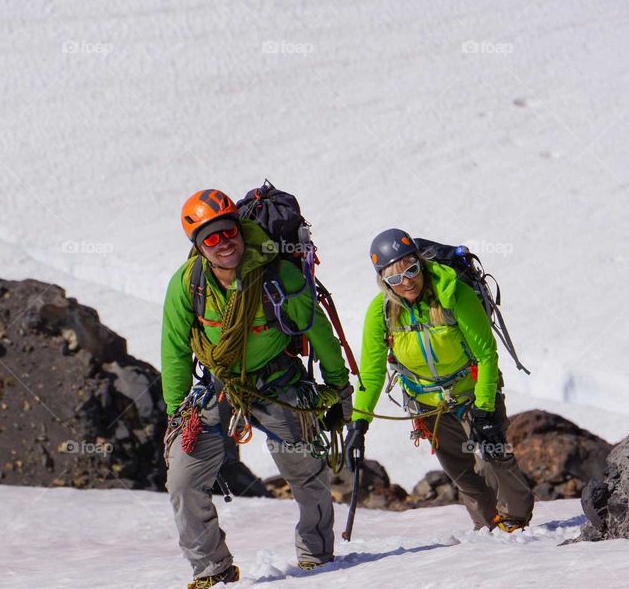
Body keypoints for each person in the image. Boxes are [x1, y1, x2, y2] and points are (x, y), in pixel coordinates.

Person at [162, 189, 353, 588]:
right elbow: (175, 348)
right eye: (210, 239)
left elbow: (317, 330)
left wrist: (338, 387)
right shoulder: (188, 284)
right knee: (183, 477)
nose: (223, 243)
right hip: (219, 387)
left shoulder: (277, 274)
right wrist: (177, 410)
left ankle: (317, 556)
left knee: (305, 469)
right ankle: (211, 568)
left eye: (228, 232)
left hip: (276, 380)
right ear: (198, 247)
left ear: (240, 229)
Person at [345, 228, 534, 532]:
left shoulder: (453, 293)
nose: (406, 281)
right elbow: (372, 372)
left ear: (420, 262)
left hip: (473, 390)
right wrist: (358, 424)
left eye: (411, 269)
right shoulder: (379, 313)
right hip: (427, 406)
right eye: (395, 278)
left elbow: (486, 354)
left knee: (493, 457)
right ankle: (487, 529)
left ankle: (514, 520)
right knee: (461, 472)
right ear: (383, 281)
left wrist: (485, 411)